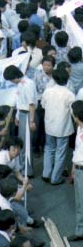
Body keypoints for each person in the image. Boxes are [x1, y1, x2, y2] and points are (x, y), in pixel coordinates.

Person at [41, 67, 74, 185]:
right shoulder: (69, 94)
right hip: (63, 128)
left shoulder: (47, 91)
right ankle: (55, 178)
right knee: (60, 153)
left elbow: (43, 106)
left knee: (49, 149)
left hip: (49, 126)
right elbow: (73, 112)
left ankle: (46, 173)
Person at [69, 100, 83, 243]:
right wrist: (73, 167)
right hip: (79, 169)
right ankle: (80, 230)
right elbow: (77, 149)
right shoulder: (79, 128)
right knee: (80, 202)